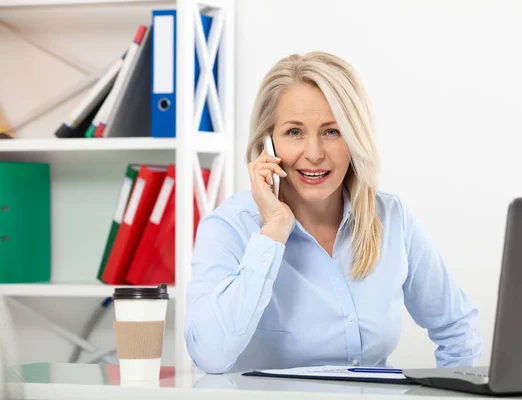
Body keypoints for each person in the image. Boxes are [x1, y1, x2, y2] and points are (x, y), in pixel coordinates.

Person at [185, 51, 483, 374]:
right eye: (294, 132)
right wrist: (273, 230)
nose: (314, 154)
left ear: (354, 139)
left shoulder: (391, 218)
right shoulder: (229, 228)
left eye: (332, 131)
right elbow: (210, 355)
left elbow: (458, 327)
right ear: (268, 144)